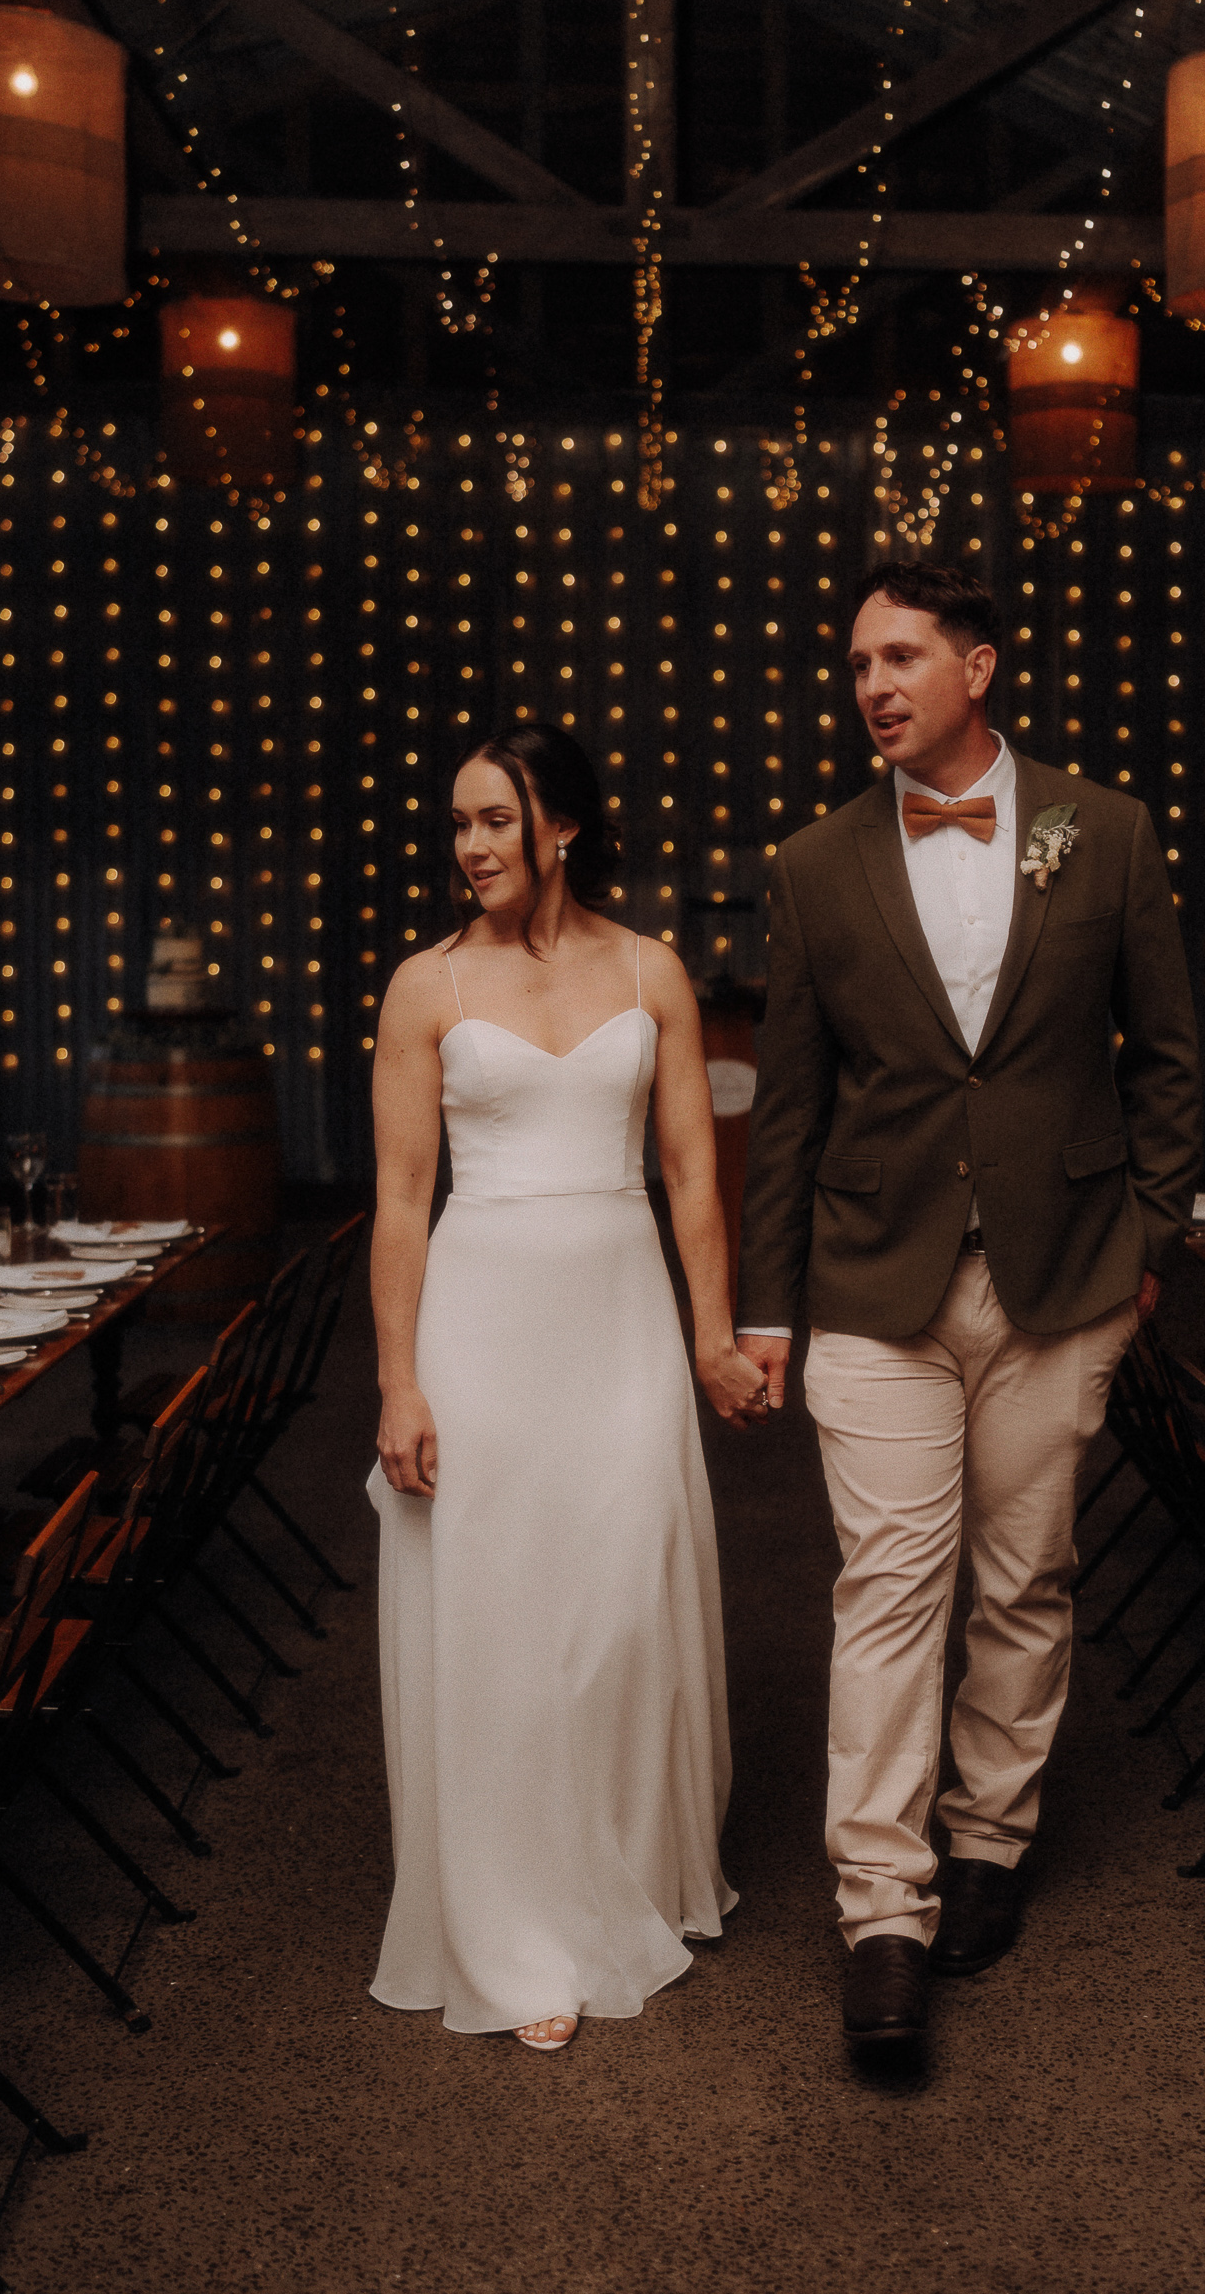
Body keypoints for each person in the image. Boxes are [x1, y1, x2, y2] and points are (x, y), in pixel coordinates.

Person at [735, 565, 1201, 2051]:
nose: (872, 684)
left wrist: (1148, 1243)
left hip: (1066, 1279)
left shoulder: (1106, 831)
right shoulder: (811, 867)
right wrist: (765, 1308)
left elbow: (1172, 1062)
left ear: (979, 665)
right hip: (873, 1285)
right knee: (889, 1589)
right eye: (857, 662)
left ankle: (991, 1835)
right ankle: (883, 1902)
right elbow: (789, 1110)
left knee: (1027, 1575)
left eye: (901, 656)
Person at [367, 722, 766, 2052]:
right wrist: (397, 1382)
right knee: (499, 1620)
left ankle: (630, 1872)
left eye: (495, 820)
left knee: (615, 1605)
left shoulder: (654, 974)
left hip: (619, 1326)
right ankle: (521, 1924)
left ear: (563, 828)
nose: (472, 846)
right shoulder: (423, 988)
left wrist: (713, 1338)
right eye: (460, 824)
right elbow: (402, 1204)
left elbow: (697, 1181)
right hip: (481, 1324)